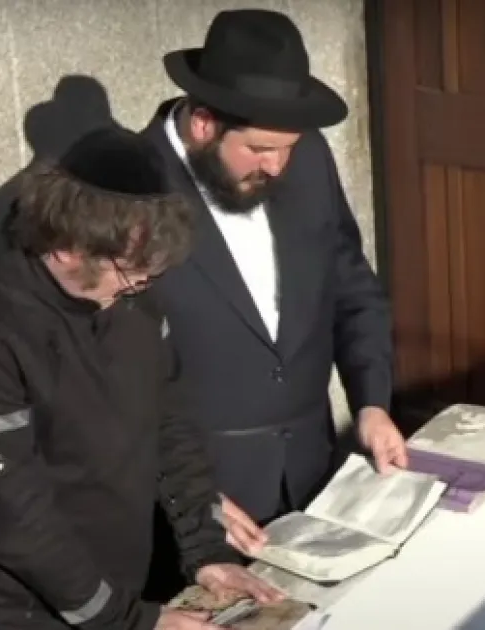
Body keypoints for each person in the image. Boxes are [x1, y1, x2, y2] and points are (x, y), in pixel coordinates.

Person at [0, 127, 282, 630]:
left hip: (120, 581)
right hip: (28, 607)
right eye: (130, 271)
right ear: (67, 246)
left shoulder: (133, 300)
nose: (140, 285)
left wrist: (206, 551)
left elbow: (170, 425)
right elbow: (14, 517)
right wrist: (125, 621)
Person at [140, 9, 410, 554]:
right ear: (203, 124)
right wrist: (191, 498)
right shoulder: (131, 187)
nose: (279, 166)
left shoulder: (307, 157)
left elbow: (350, 284)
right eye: (261, 150)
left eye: (289, 147)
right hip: (203, 501)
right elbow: (107, 378)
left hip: (312, 470)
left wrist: (371, 400)